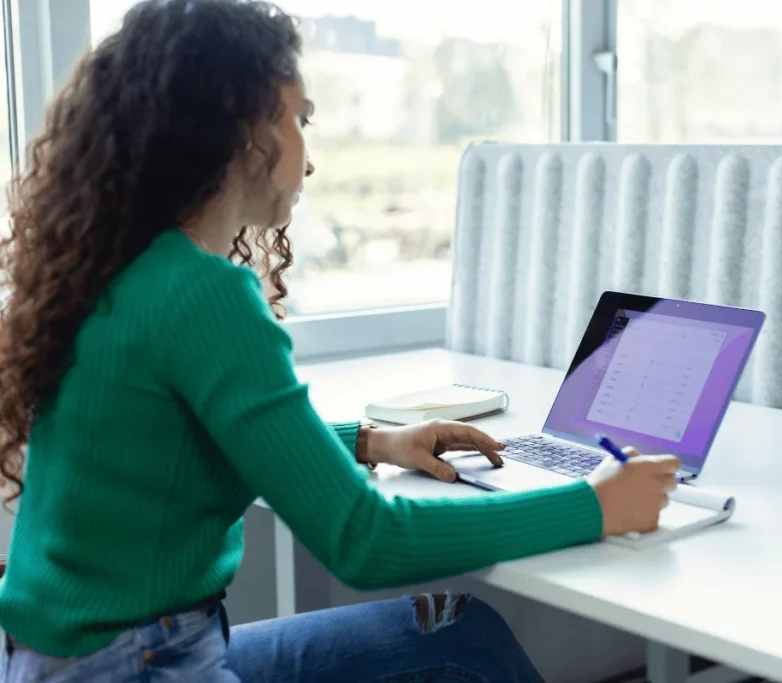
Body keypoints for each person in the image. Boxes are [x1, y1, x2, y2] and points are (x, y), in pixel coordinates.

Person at [0, 1, 679, 681]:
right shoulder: (202, 294)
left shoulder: (113, 268)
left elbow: (184, 441)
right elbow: (364, 540)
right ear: (240, 123)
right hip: (142, 666)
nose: (309, 154)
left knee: (460, 634)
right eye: (299, 118)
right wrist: (597, 505)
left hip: (60, 662)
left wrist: (370, 440)